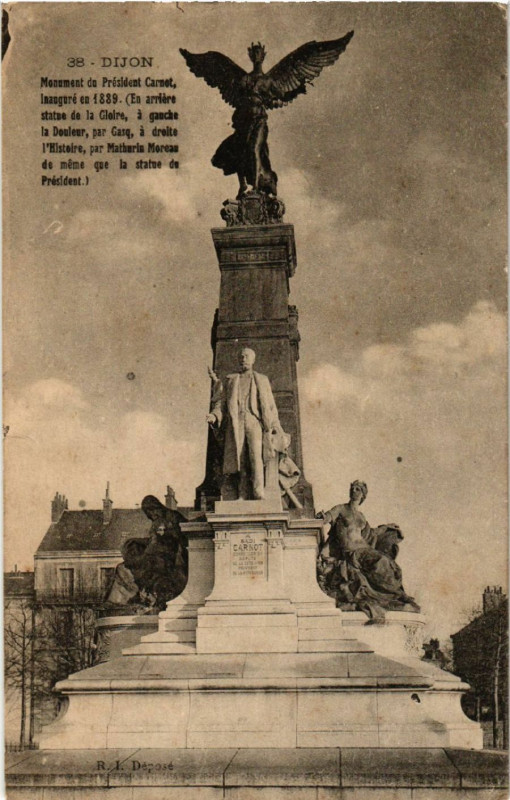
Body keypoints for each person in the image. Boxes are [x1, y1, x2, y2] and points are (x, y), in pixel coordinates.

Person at [317, 481, 419, 622]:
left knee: (391, 565)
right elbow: (328, 516)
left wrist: (386, 528)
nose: (354, 491)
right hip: (353, 553)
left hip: (364, 549)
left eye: (358, 489)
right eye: (352, 488)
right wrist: (322, 517)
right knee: (381, 561)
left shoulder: (361, 516)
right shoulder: (341, 509)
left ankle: (397, 594)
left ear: (363, 495)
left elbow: (371, 534)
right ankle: (395, 594)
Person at [206, 347, 283, 500]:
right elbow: (220, 404)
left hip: (254, 421)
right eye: (241, 357)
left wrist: (275, 425)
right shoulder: (231, 380)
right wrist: (214, 416)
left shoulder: (261, 379)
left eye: (247, 356)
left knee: (255, 456)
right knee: (239, 459)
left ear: (253, 360)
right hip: (236, 422)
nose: (243, 359)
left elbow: (270, 406)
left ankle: (258, 491)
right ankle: (242, 493)